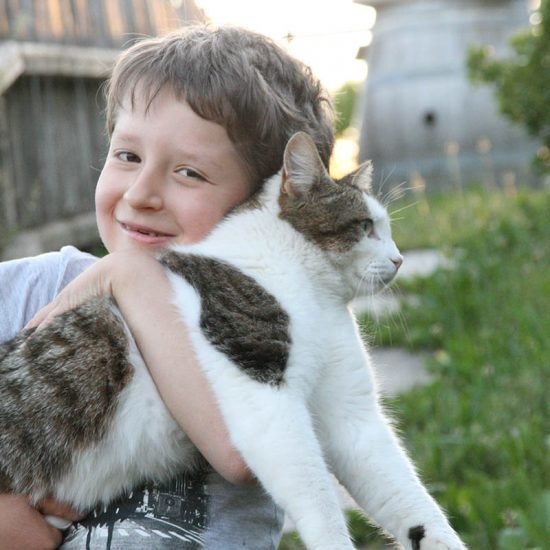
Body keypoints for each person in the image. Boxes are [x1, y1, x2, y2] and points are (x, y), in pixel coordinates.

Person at [0, 24, 334, 549]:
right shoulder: (40, 287)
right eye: (127, 156)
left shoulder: (272, 334)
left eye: (189, 173)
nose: (141, 193)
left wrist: (134, 277)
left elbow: (245, 451)